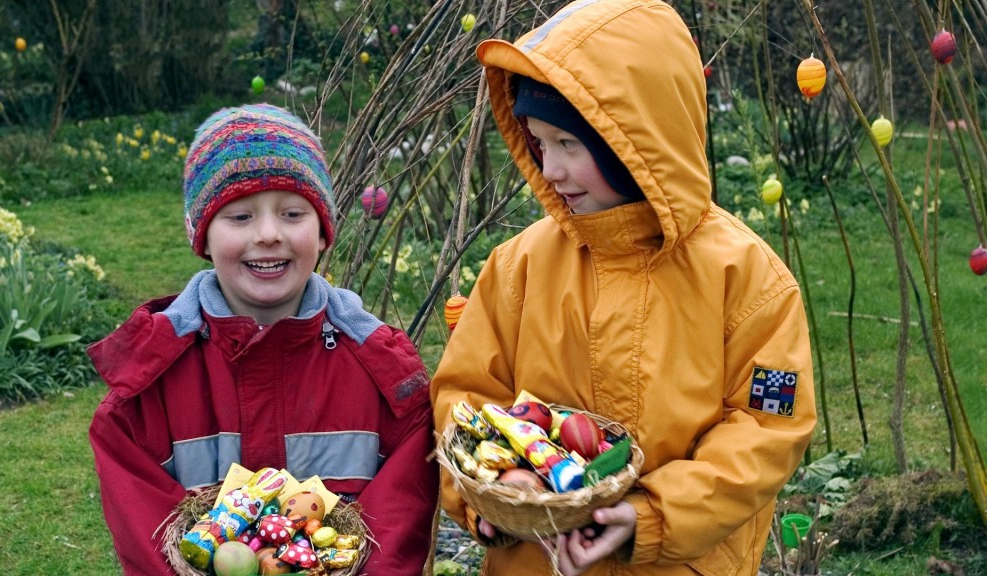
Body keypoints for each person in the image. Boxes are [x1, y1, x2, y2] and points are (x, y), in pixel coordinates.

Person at [429, 1, 817, 575]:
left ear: (636, 143)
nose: (551, 169)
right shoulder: (521, 267)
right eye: (539, 142)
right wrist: (483, 495)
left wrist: (652, 514)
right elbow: (466, 395)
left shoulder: (748, 280)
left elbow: (766, 427)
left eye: (569, 144)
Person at [88, 103, 438, 576]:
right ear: (203, 236)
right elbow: (149, 535)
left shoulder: (381, 374)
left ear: (323, 233)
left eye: (293, 213)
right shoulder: (150, 385)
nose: (269, 234)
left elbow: (397, 523)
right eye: (240, 217)